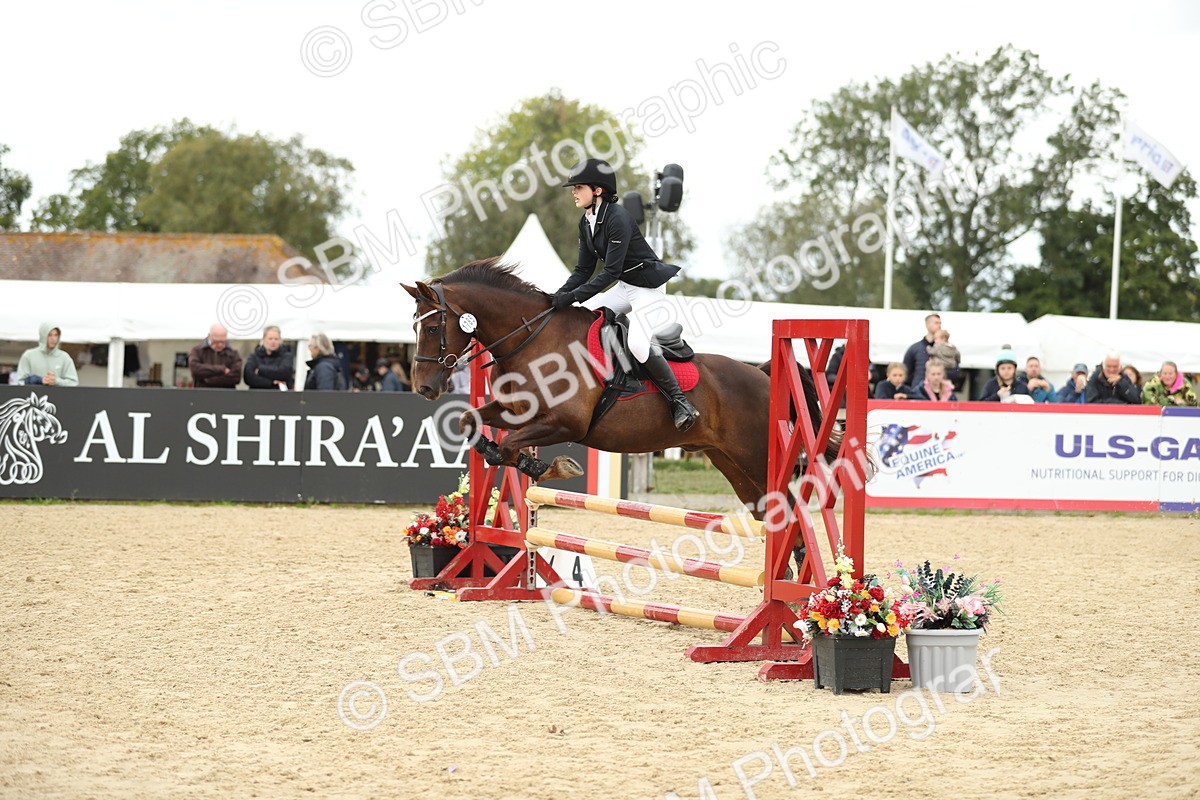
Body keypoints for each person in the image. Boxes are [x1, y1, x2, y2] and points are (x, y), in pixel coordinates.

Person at [552, 157, 698, 432]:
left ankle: (680, 402)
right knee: (582, 317)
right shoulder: (586, 222)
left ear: (597, 190)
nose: (573, 191)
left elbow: (608, 273)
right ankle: (614, 377)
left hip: (647, 289)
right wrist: (557, 297)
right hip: (624, 286)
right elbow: (583, 270)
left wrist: (572, 297)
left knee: (639, 345)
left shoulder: (618, 217)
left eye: (578, 186)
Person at [15, 323, 79, 386]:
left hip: (57, 396)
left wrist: (56, 381)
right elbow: (21, 382)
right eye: (50, 335)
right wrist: (39, 380)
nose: (53, 338)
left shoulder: (64, 357)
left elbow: (73, 383)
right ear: (43, 336)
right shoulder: (28, 355)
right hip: (35, 395)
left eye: (56, 335)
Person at [188, 324, 242, 389]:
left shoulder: (233, 354)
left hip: (226, 396)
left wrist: (209, 379)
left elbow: (236, 377)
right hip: (202, 395)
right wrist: (222, 369)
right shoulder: (197, 351)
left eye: (223, 341)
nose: (220, 345)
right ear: (209, 336)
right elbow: (195, 370)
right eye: (216, 341)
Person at [243, 325, 294, 390]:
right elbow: (249, 377)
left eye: (276, 339)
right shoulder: (254, 356)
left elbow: (284, 373)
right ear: (263, 340)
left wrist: (260, 370)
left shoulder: (286, 356)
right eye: (270, 339)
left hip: (279, 396)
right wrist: (271, 382)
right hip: (257, 395)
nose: (273, 342)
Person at [902, 313, 941, 388]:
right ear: (927, 324)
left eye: (940, 323)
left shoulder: (946, 349)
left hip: (939, 391)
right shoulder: (915, 348)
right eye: (936, 323)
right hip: (919, 392)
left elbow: (954, 371)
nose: (939, 326)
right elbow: (906, 372)